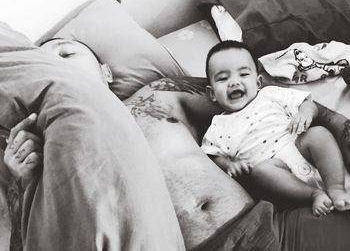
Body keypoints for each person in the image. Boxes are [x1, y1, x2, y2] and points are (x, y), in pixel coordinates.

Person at [4, 37, 350, 250]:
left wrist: (343, 132)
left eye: (65, 55)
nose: (58, 71)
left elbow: (253, 97)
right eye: (48, 64)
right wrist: (22, 180)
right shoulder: (47, 146)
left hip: (267, 227)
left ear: (105, 70)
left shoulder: (158, 94)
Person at [202, 40, 350, 216]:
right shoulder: (217, 126)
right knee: (261, 172)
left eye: (243, 74)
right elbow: (212, 155)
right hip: (273, 171)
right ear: (211, 93)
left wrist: (305, 114)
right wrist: (229, 165)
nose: (234, 82)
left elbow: (308, 104)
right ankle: (314, 194)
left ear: (258, 82)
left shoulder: (269, 94)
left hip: (299, 146)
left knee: (317, 134)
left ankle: (336, 187)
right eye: (223, 78)